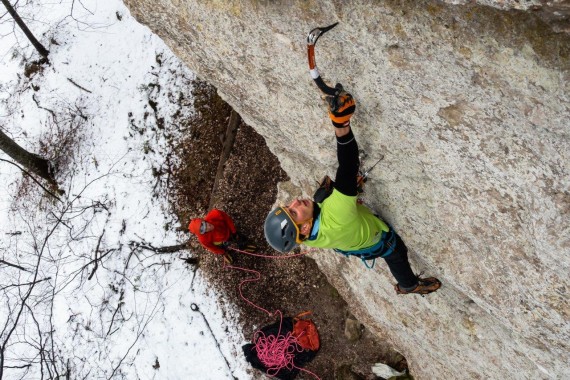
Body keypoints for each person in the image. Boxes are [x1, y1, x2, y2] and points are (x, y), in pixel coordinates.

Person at [264, 89, 441, 295]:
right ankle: (409, 286)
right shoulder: (336, 215)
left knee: (321, 197)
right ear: (303, 230)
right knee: (396, 253)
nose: (294, 202)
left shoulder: (306, 236)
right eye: (293, 212)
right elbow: (348, 165)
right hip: (378, 240)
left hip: (351, 241)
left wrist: (344, 193)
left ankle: (348, 194)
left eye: (288, 206)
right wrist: (341, 124)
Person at [189, 208, 256, 264]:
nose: (208, 227)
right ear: (202, 233)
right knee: (224, 249)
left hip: (228, 230)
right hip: (220, 241)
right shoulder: (203, 239)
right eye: (204, 230)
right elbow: (212, 248)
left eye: (204, 224)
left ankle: (244, 246)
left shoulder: (215, 214)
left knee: (239, 238)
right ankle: (227, 253)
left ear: (203, 220)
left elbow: (227, 219)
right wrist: (223, 252)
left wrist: (234, 232)